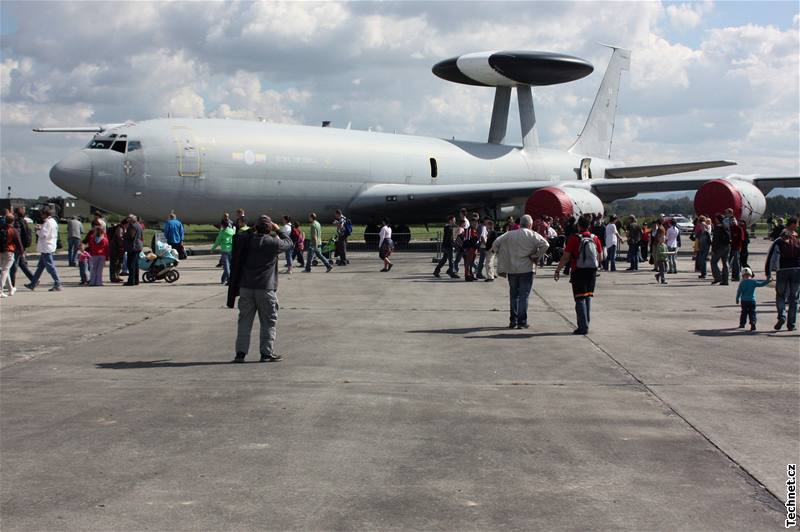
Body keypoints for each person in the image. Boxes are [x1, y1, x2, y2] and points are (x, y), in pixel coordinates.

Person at [227, 215, 293, 363]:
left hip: (246, 287)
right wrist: (278, 230)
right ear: (270, 229)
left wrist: (254, 228)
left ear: (255, 227)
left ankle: (240, 353)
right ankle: (266, 353)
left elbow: (241, 234)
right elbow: (289, 243)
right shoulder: (273, 243)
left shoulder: (246, 241)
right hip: (265, 288)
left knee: (244, 321)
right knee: (268, 321)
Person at [491, 214, 549, 329]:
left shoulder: (509, 234)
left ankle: (513, 320)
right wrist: (535, 255)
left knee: (514, 295)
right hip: (527, 269)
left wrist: (501, 255)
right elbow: (546, 245)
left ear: (520, 223)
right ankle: (522, 322)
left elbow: (495, 244)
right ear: (530, 224)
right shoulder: (533, 235)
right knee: (524, 296)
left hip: (512, 269)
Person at [555, 216, 603, 335]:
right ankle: (586, 322)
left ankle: (583, 327)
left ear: (578, 226)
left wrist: (558, 270)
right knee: (587, 297)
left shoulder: (574, 238)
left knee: (579, 298)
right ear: (589, 225)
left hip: (578, 271)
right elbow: (600, 257)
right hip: (591, 271)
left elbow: (566, 256)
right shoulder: (595, 238)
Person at [765, 216, 800, 331]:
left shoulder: (779, 240)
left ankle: (782, 316)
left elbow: (770, 257)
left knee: (780, 295)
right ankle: (792, 324)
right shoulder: (798, 239)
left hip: (782, 271)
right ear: (793, 225)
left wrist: (768, 273)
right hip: (796, 270)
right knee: (794, 298)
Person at [25, 207, 62, 292]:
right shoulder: (53, 221)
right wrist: (41, 228)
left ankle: (58, 283)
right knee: (40, 267)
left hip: (46, 247)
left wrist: (37, 230)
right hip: (49, 246)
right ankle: (33, 283)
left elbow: (43, 235)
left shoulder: (48, 222)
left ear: (45, 214)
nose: (41, 215)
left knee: (50, 267)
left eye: (41, 214)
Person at [9, 206, 34, 287]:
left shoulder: (17, 222)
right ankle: (34, 280)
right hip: (23, 246)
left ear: (16, 213)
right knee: (22, 265)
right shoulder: (24, 221)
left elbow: (17, 235)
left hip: (18, 247)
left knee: (13, 266)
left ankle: (11, 285)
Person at [0, 213, 23, 297]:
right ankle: (0, 290)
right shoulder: (13, 230)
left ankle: (10, 289)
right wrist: (22, 252)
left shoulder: (1, 228)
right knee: (5, 271)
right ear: (13, 221)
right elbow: (19, 243)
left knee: (5, 270)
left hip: (1, 251)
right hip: (9, 251)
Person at [433, 214, 458, 278]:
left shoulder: (448, 227)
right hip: (448, 246)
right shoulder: (449, 228)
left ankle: (436, 271)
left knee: (444, 260)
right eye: (453, 220)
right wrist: (454, 245)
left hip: (445, 246)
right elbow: (450, 239)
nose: (454, 222)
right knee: (451, 260)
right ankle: (451, 273)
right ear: (450, 221)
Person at [711, 214, 731, 285]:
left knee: (713, 262)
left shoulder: (718, 227)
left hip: (719, 247)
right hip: (727, 246)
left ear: (718, 219)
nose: (715, 220)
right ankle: (725, 280)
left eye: (716, 219)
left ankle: (718, 277)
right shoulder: (726, 226)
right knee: (725, 263)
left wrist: (713, 249)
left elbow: (715, 239)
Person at [123, 214, 143, 286]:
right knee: (135, 264)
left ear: (132, 219)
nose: (128, 220)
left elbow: (131, 235)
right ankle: (136, 280)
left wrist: (124, 234)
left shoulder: (132, 226)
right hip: (138, 246)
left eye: (129, 218)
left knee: (130, 264)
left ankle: (131, 281)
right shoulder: (139, 225)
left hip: (132, 247)